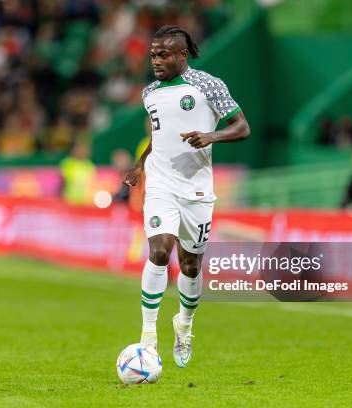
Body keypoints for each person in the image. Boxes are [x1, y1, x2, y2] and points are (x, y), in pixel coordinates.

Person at [123, 25, 250, 368]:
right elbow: (159, 137)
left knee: (191, 266)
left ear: (182, 55)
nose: (156, 61)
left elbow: (242, 127)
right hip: (161, 185)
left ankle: (185, 325)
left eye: (163, 54)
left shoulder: (208, 85)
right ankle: (147, 336)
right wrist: (140, 163)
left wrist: (211, 136)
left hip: (196, 191)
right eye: (153, 55)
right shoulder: (149, 92)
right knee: (160, 251)